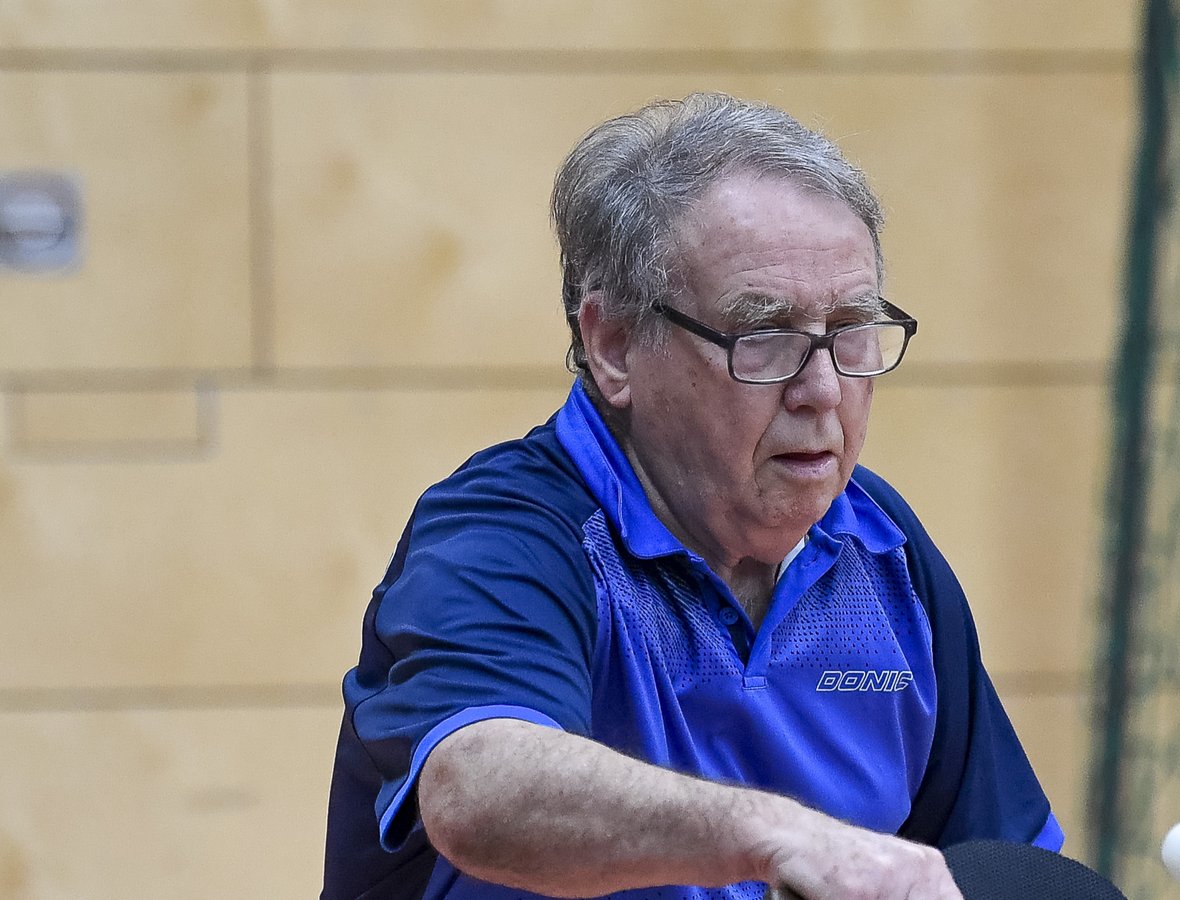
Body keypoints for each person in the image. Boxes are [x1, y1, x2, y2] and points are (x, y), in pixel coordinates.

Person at [322, 92, 1061, 900]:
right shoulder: (508, 535)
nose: (823, 389)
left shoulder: (885, 552)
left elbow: (1000, 869)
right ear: (614, 346)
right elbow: (479, 791)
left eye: (851, 329)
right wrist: (776, 837)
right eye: (765, 332)